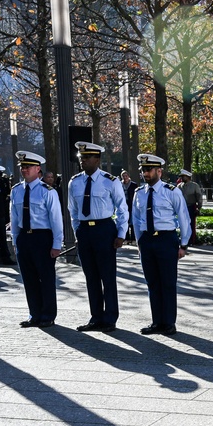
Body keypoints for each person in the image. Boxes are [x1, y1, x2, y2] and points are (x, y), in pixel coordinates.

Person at [67, 142, 128, 332]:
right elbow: (73, 211)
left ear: (97, 159)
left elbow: (122, 208)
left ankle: (109, 318)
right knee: (91, 277)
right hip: (85, 231)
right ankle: (96, 317)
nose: (82, 161)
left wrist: (120, 233)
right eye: (80, 158)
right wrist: (78, 231)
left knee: (107, 277)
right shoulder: (74, 182)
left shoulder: (110, 181)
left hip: (104, 229)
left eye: (86, 158)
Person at [131, 153, 191, 336]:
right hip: (147, 240)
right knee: (152, 283)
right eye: (143, 170)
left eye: (148, 170)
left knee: (167, 282)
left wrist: (184, 245)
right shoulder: (139, 193)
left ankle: (169, 322)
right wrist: (139, 242)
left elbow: (183, 218)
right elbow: (136, 218)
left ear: (159, 171)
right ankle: (157, 321)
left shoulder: (171, 191)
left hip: (166, 240)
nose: (145, 173)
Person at [9, 152, 63, 327]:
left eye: (27, 167)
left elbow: (56, 220)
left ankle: (47, 316)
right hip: (25, 237)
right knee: (29, 278)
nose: (24, 170)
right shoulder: (16, 190)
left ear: (37, 169)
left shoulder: (48, 191)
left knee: (46, 278)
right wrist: (15, 241)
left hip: (42, 238)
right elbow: (15, 218)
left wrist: (56, 244)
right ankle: (34, 314)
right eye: (22, 167)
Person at [177, 169, 202, 245]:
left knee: (191, 225)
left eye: (183, 176)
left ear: (188, 177)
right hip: (182, 208)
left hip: (191, 206)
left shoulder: (194, 186)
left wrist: (198, 207)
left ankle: (191, 240)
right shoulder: (179, 186)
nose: (181, 178)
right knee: (182, 224)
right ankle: (184, 240)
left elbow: (199, 197)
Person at [120, 170, 138, 243]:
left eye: (126, 176)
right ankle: (126, 238)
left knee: (132, 222)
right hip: (123, 205)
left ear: (129, 176)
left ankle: (133, 238)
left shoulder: (133, 185)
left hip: (131, 205)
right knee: (125, 221)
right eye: (123, 176)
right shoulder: (120, 184)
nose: (125, 177)